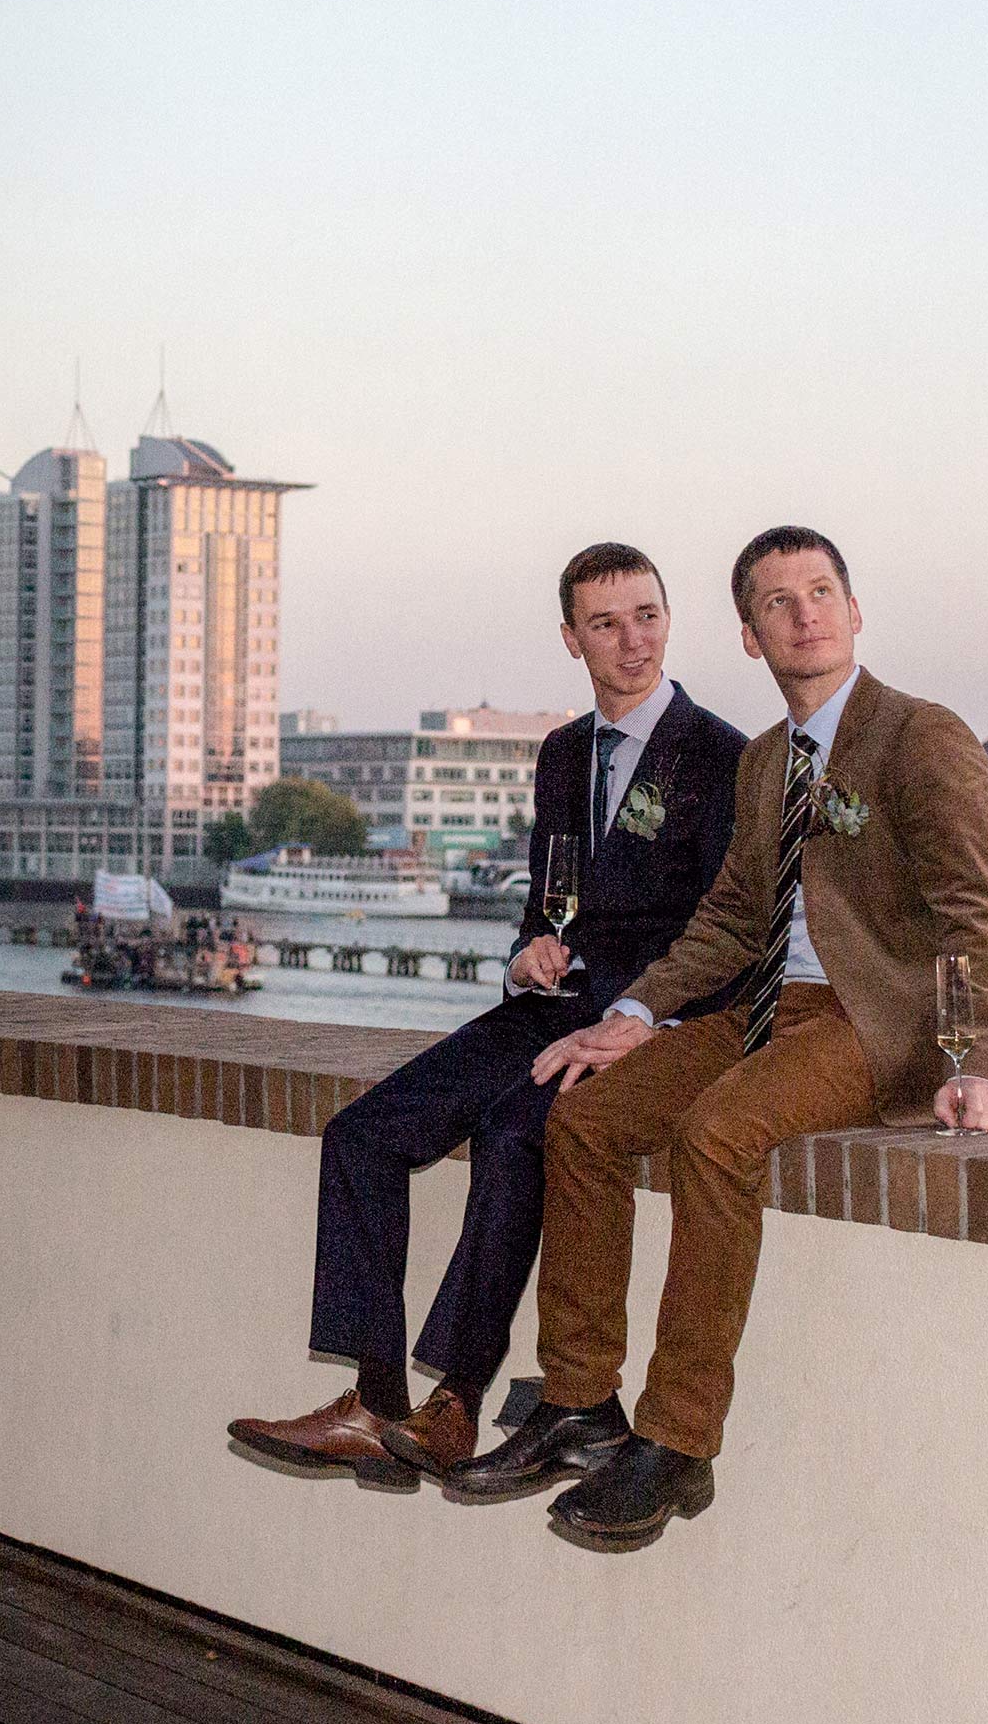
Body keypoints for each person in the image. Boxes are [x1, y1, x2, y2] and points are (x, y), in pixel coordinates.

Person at [448, 524, 988, 1548]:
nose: (805, 615)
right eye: (778, 602)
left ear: (855, 611)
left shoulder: (920, 736)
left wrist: (980, 1063)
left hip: (877, 1020)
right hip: (771, 1012)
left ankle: (678, 1441)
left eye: (821, 593)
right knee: (581, 1121)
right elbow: (728, 920)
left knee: (716, 1135)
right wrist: (631, 1016)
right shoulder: (767, 761)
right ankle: (580, 1404)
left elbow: (976, 915)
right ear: (751, 637)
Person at [227, 544, 746, 1491]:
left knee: (515, 1138)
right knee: (361, 1136)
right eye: (606, 624)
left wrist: (648, 1019)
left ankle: (457, 1401)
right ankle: (375, 1401)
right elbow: (548, 901)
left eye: (647, 616)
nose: (633, 641)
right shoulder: (561, 754)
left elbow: (731, 929)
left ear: (669, 619)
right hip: (547, 1005)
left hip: (636, 1026)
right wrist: (527, 951)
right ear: (571, 639)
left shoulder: (722, 757)